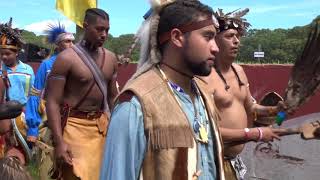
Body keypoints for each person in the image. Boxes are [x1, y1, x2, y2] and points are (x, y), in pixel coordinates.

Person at [101, 0, 225, 179]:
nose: (215, 48)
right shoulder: (135, 105)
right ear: (177, 37)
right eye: (207, 37)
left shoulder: (204, 95)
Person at [203, 9, 286, 180]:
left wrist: (274, 111)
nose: (236, 41)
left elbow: (251, 107)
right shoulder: (203, 77)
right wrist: (255, 134)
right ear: (214, 40)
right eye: (230, 36)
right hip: (211, 164)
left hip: (234, 163)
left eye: (238, 36)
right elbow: (204, 131)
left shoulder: (239, 71)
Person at [45, 8, 118, 180]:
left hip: (102, 128)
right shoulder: (66, 59)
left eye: (107, 30)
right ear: (85, 26)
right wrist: (59, 142)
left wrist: (119, 128)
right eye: (99, 29)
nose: (104, 34)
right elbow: (52, 101)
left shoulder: (111, 58)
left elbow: (113, 97)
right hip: (73, 127)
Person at [24, 22, 74, 180]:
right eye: (67, 41)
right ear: (58, 44)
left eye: (73, 41)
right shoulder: (47, 65)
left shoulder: (76, 63)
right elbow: (34, 94)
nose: (71, 44)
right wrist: (32, 128)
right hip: (48, 121)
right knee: (48, 165)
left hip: (72, 120)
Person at [0, 18, 34, 166]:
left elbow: (33, 93)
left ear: (17, 53)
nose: (4, 57)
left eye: (7, 53)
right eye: (1, 54)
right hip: (5, 115)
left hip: (24, 114)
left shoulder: (28, 70)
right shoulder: (1, 70)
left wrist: (31, 113)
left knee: (23, 153)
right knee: (6, 149)